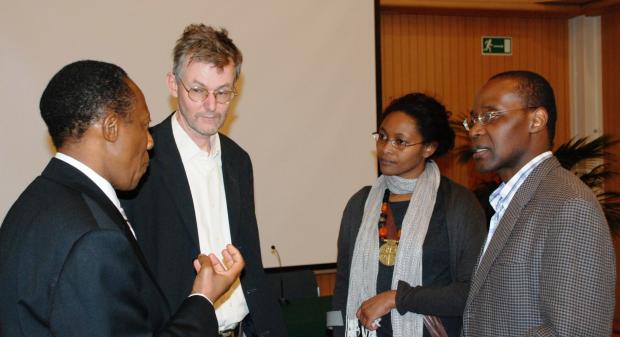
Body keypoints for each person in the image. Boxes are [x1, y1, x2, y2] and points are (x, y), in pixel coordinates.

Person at [0, 60, 245, 337]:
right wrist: (203, 298)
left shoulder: (31, 204)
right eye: (143, 125)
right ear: (111, 128)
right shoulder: (93, 240)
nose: (150, 141)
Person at [121, 24, 287, 337]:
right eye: (198, 90)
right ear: (173, 84)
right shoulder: (142, 157)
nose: (211, 105)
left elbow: (251, 258)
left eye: (223, 92)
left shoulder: (239, 160)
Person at [461, 70, 616, 336]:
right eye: (473, 119)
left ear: (537, 119)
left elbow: (574, 331)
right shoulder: (511, 199)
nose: (475, 130)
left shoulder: (569, 205)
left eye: (490, 116)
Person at [331, 93, 487, 337]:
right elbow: (342, 286)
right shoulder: (360, 203)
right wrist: (333, 330)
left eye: (400, 142)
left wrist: (397, 298)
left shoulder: (457, 204)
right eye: (382, 137)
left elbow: (471, 292)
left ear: (428, 148)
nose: (386, 148)